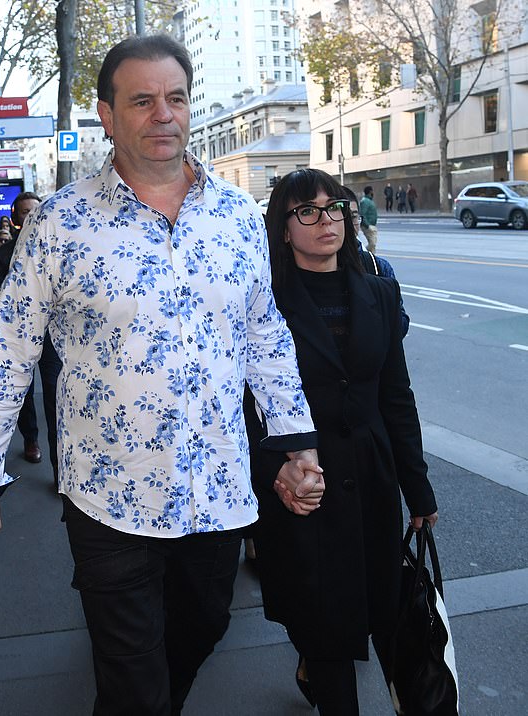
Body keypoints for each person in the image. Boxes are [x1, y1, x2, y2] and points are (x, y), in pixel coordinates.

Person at [0, 34, 324, 716]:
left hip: (218, 492)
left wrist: (297, 447)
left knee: (203, 628)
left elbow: (264, 337)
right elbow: (6, 350)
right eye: (142, 100)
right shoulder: (60, 223)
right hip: (108, 497)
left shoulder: (238, 216)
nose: (164, 115)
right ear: (107, 115)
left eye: (175, 98)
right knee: (130, 678)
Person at [245, 168, 438, 715]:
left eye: (335, 209)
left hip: (371, 481)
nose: (325, 221)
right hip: (301, 485)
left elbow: (395, 397)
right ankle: (320, 669)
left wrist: (417, 491)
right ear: (283, 228)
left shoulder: (379, 293)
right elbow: (244, 405)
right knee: (323, 619)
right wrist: (272, 468)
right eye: (307, 211)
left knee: (377, 609)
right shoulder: (263, 304)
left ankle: (315, 663)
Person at [0, 192, 55, 467]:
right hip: (18, 337)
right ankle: (30, 439)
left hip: (54, 337)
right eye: (24, 212)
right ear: (15, 218)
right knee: (25, 392)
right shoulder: (2, 255)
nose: (30, 215)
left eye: (35, 210)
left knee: (56, 395)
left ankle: (60, 463)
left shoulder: (59, 248)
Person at [341, 185, 409, 337]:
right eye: (341, 216)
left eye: (353, 217)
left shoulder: (379, 267)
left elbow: (401, 325)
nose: (347, 224)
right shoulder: (314, 269)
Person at [358, 185, 378, 253]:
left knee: (373, 245)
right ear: (370, 192)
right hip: (368, 226)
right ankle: (364, 254)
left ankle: (371, 258)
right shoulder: (365, 201)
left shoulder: (369, 200)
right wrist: (368, 226)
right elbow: (362, 214)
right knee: (372, 244)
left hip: (372, 225)